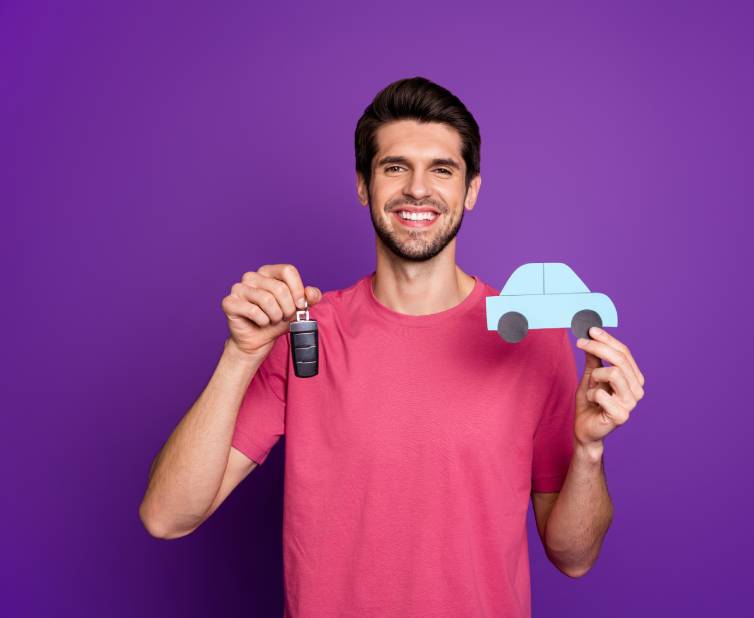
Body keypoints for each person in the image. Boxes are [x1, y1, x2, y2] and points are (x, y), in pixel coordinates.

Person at [138, 76, 646, 617]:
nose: (418, 189)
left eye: (442, 169)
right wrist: (240, 356)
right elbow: (166, 517)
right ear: (364, 185)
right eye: (395, 166)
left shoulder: (531, 342)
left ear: (472, 190)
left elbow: (573, 556)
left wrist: (589, 450)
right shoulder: (306, 333)